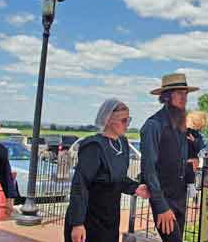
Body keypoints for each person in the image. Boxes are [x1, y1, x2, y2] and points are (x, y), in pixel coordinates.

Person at [64, 98, 150, 242]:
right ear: (109, 120)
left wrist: (135, 188)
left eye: (129, 120)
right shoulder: (93, 147)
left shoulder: (122, 143)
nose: (127, 125)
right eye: (124, 120)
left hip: (110, 219)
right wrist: (77, 223)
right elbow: (80, 185)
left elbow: (117, 178)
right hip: (89, 220)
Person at [141, 73, 205, 242]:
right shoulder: (153, 125)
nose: (184, 98)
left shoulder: (181, 124)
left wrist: (192, 163)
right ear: (167, 96)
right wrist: (161, 206)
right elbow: (149, 169)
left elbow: (185, 156)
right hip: (164, 199)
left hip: (180, 197)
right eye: (179, 93)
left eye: (186, 93)